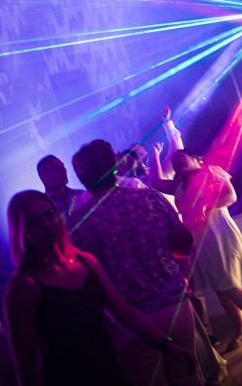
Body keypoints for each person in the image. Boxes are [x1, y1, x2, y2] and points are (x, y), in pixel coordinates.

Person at [5, 189, 193, 386]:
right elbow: (23, 361)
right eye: (34, 222)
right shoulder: (24, 286)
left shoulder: (84, 260)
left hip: (107, 366)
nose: (46, 224)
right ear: (22, 231)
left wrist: (166, 345)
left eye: (49, 214)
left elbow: (125, 313)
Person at [68, 140, 202, 386]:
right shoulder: (149, 198)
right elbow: (183, 243)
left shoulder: (78, 223)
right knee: (188, 378)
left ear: (81, 176)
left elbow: (83, 282)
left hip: (128, 322)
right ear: (114, 166)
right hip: (174, 305)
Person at [153, 110, 242, 354]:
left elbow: (230, 196)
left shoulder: (209, 172)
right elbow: (156, 182)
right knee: (221, 288)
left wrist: (206, 205)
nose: (177, 162)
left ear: (196, 160)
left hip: (219, 235)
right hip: (200, 242)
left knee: (231, 286)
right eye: (175, 162)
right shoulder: (178, 185)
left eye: (182, 158)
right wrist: (157, 156)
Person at [35, 155, 86, 221]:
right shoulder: (42, 208)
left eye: (63, 166)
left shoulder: (82, 194)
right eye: (56, 168)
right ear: (43, 175)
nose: (63, 170)